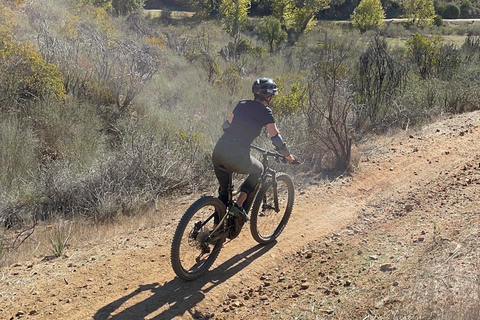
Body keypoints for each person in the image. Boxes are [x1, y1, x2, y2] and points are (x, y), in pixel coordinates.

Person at [212, 78, 295, 223]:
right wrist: (287, 156)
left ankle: (214, 233)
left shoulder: (241, 104)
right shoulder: (265, 112)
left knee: (224, 193)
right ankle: (238, 205)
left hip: (218, 151)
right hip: (236, 155)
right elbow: (276, 139)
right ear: (268, 97)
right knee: (259, 170)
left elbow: (226, 125)